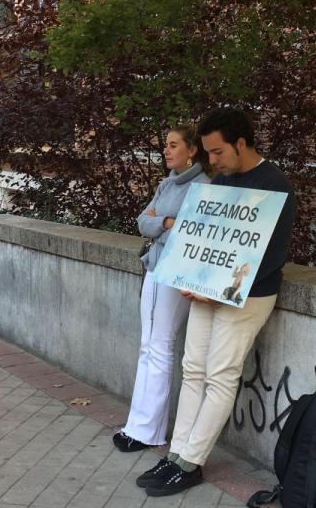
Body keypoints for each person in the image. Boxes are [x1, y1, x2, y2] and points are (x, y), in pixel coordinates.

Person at [138, 107, 297, 497]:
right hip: (205, 291)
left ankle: (191, 462)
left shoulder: (274, 185)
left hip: (247, 297)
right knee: (193, 369)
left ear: (240, 143)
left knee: (220, 375)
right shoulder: (220, 183)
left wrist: (214, 286)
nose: (211, 161)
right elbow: (200, 238)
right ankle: (175, 455)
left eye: (217, 152)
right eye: (207, 153)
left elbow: (268, 256)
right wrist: (193, 279)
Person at [113, 124, 211, 453]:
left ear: (192, 149)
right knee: (152, 345)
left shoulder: (202, 186)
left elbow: (190, 231)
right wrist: (167, 221)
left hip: (171, 271)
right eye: (166, 145)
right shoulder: (168, 183)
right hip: (156, 266)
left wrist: (164, 222)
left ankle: (145, 430)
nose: (167, 151)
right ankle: (141, 425)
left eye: (173, 145)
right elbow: (144, 222)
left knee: (158, 347)